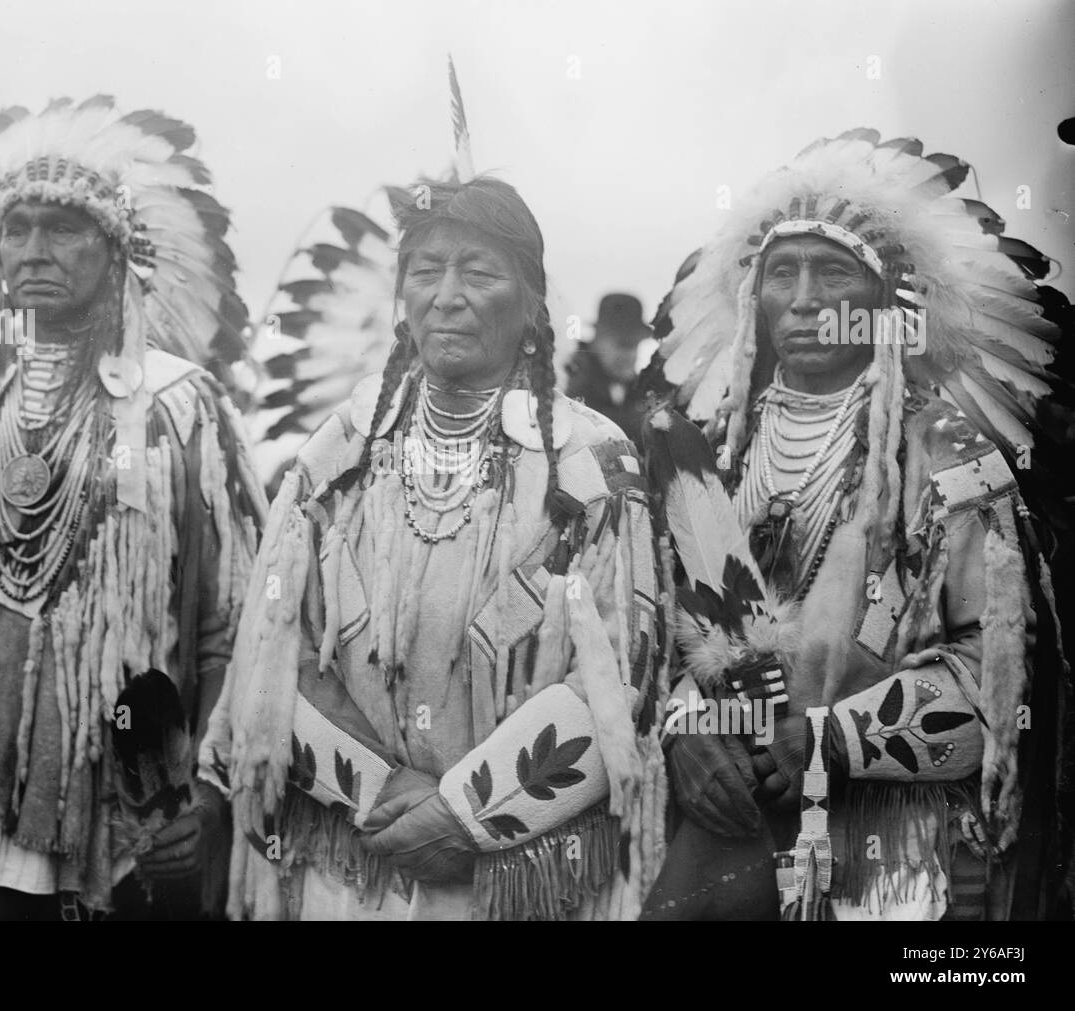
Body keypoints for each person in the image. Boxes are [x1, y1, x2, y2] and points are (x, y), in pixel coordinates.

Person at [0, 97, 266, 920]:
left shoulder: (180, 410)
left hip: (119, 818)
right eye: (18, 227)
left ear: (119, 252)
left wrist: (211, 794)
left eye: (66, 228)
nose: (35, 250)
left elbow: (231, 626)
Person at [199, 176, 669, 920]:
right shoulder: (340, 452)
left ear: (533, 305)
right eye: (424, 270)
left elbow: (617, 680)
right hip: (357, 866)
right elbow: (275, 646)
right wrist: (380, 791)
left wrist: (467, 813)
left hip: (520, 878)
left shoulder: (591, 462)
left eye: (479, 271)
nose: (446, 294)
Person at [642, 129, 1070, 920]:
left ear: (884, 298)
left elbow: (999, 686)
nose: (802, 300)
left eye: (832, 270)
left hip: (890, 859)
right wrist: (686, 728)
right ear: (752, 295)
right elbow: (655, 635)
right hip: (729, 825)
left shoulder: (947, 451)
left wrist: (829, 739)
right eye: (781, 272)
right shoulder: (718, 454)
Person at [564, 293, 654, 436]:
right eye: (622, 344)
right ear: (598, 338)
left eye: (634, 345)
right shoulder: (570, 375)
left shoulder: (640, 389)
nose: (629, 355)